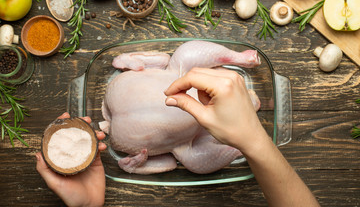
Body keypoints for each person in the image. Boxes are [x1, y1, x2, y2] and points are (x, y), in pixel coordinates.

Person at [36, 68, 320, 207]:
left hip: (179, 131)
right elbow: (168, 164)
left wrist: (130, 166)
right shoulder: (189, 74)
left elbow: (168, 165)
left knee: (191, 161)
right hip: (175, 128)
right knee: (191, 161)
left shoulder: (181, 75)